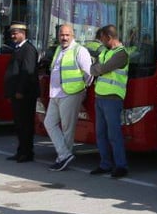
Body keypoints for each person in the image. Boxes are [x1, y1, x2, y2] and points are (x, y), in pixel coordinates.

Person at [44, 24, 93, 171]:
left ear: (73, 35)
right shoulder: (59, 49)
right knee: (49, 123)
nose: (64, 38)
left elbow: (89, 73)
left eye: (67, 35)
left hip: (71, 93)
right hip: (56, 93)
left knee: (67, 128)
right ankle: (64, 154)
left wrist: (82, 89)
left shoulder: (80, 50)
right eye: (61, 35)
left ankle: (63, 157)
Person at [89, 24, 130, 178]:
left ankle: (121, 166)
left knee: (114, 134)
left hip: (113, 98)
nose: (101, 42)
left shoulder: (121, 54)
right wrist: (97, 68)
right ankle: (105, 164)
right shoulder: (106, 52)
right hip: (100, 96)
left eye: (102, 39)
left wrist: (97, 68)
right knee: (100, 134)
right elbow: (94, 68)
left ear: (108, 37)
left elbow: (100, 69)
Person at [3, 23, 38, 162]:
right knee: (19, 124)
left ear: (23, 33)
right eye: (12, 33)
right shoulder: (17, 49)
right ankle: (21, 150)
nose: (13, 36)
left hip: (25, 94)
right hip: (17, 93)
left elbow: (27, 72)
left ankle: (27, 152)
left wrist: (20, 91)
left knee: (25, 124)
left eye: (15, 33)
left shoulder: (28, 49)